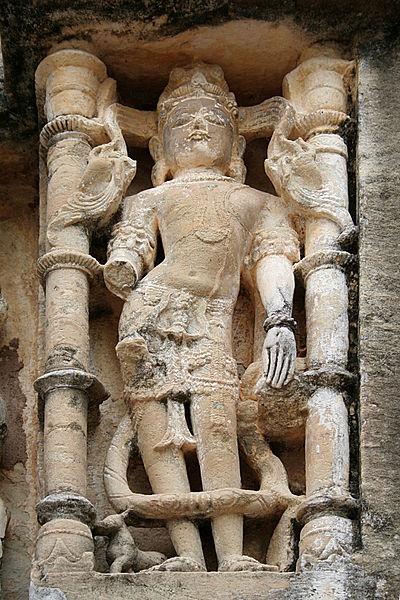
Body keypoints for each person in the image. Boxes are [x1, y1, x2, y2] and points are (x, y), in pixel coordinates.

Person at [104, 63, 299, 572]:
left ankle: (232, 553)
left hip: (211, 322)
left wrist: (280, 319)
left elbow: (274, 259)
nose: (196, 126)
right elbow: (131, 251)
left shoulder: (259, 202)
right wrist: (121, 263)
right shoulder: (150, 199)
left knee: (216, 426)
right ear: (161, 148)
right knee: (157, 435)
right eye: (182, 120)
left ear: (236, 144)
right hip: (149, 316)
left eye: (211, 118)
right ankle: (187, 554)